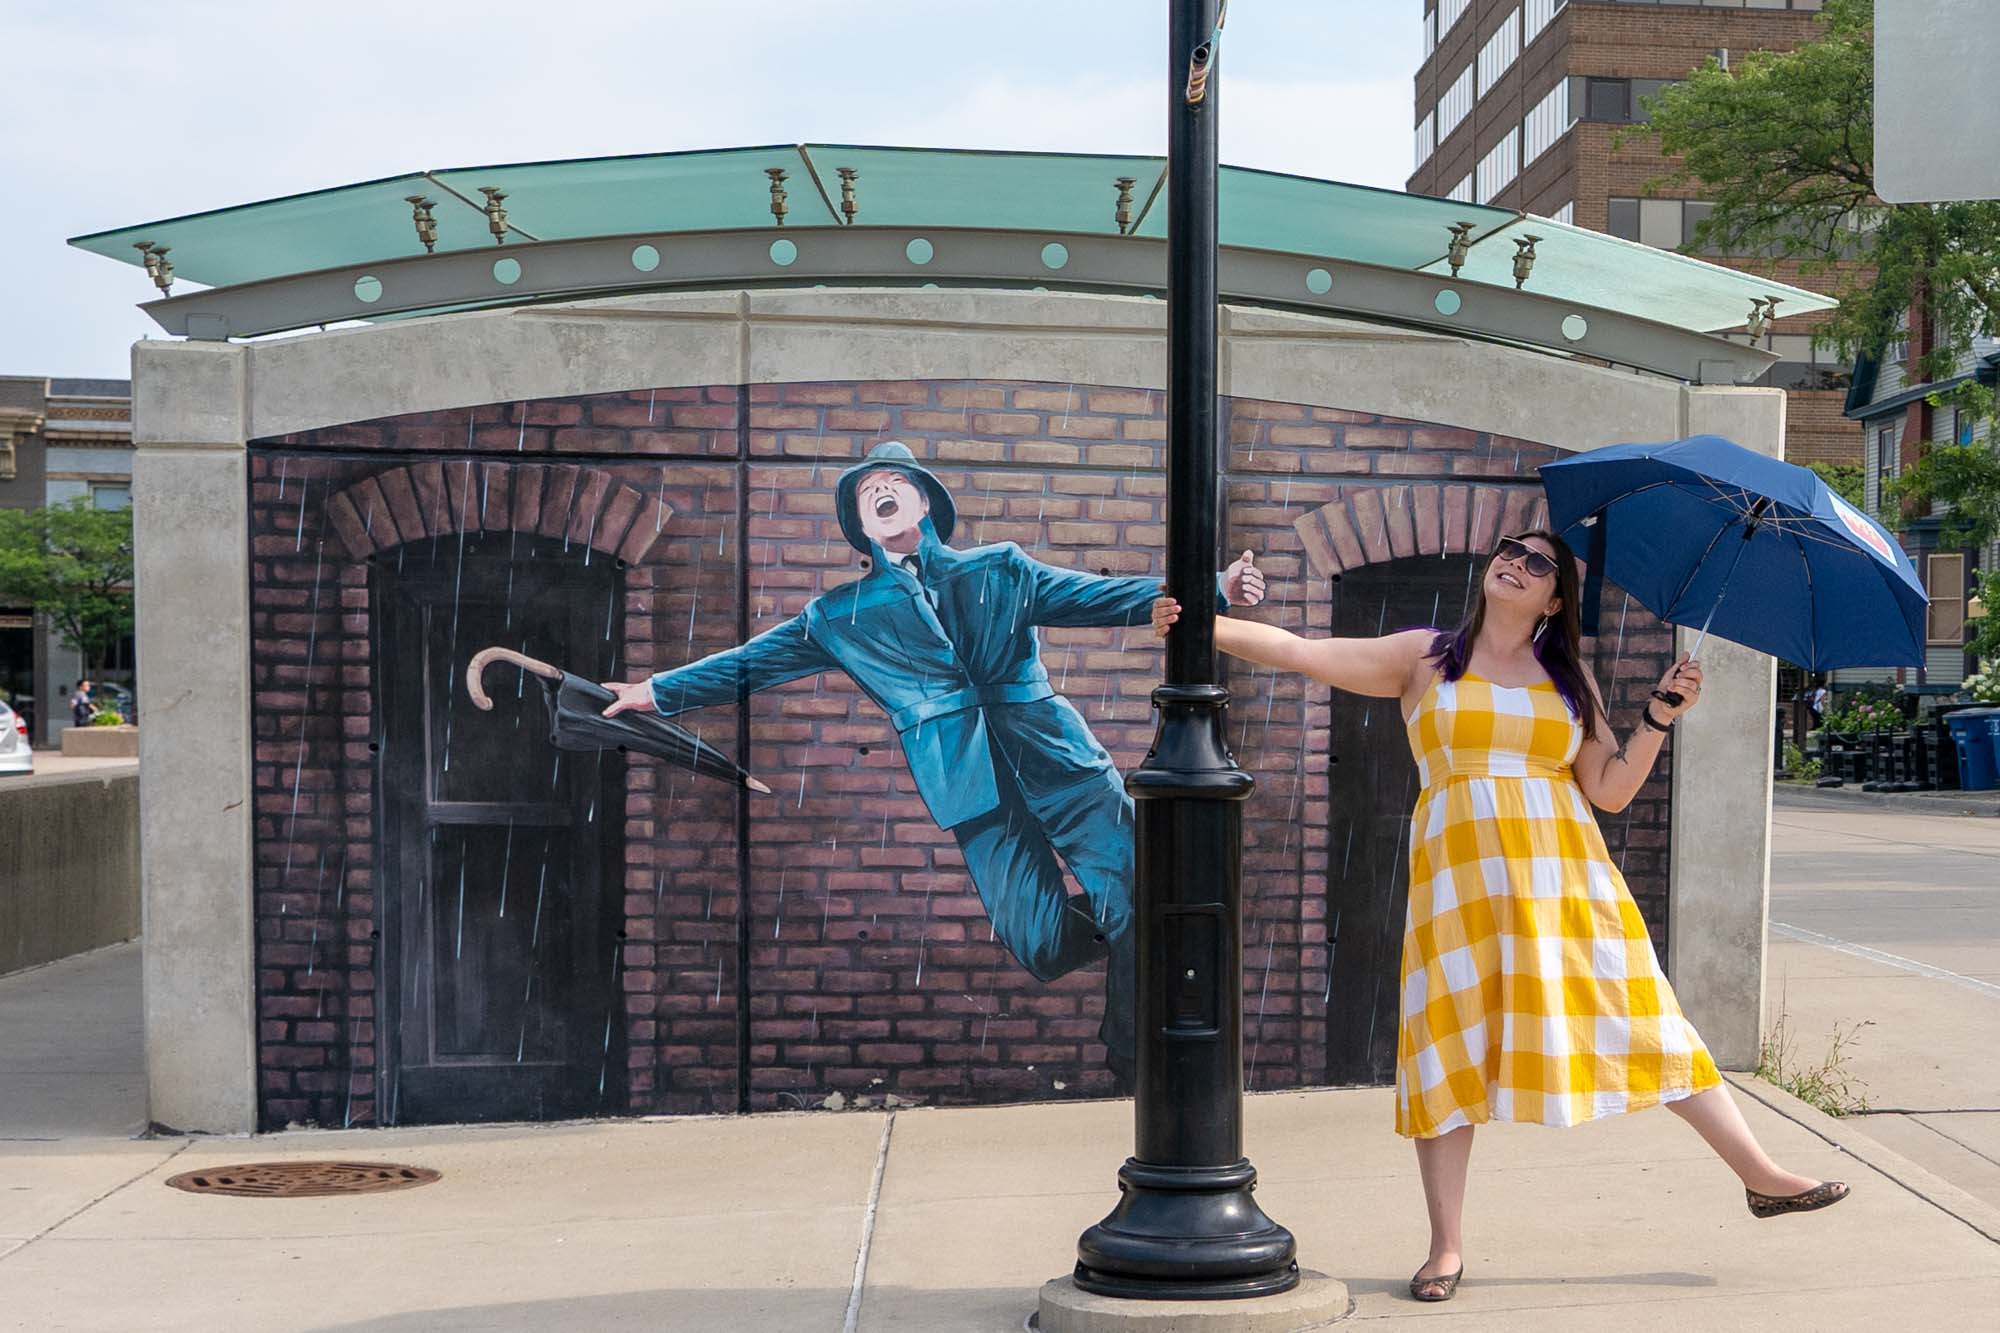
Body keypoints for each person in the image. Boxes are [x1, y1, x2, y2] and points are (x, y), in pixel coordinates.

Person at [1153, 529, 1846, 1304]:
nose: (1515, 562)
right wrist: (1197, 624)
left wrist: (1658, 715)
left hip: (1568, 882)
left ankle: (1761, 1175)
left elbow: (1611, 789)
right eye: (1509, 551)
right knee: (1450, 1047)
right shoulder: (1426, 657)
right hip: (1459, 886)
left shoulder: (1568, 677)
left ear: (1555, 600)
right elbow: (1301, 651)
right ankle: (1445, 1246)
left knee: (1646, 1020)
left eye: (1538, 562)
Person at [600, 440, 1265, 1087]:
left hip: (1062, 764)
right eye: (865, 490)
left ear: (924, 502)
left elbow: (1096, 595)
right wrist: (653, 693)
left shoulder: (1001, 568)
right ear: (860, 526)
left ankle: (1136, 1059)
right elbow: (750, 663)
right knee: (1039, 943)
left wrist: (1214, 587)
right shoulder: (841, 615)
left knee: (1126, 899)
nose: (879, 490)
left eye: (893, 481)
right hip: (972, 791)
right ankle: (1141, 905)